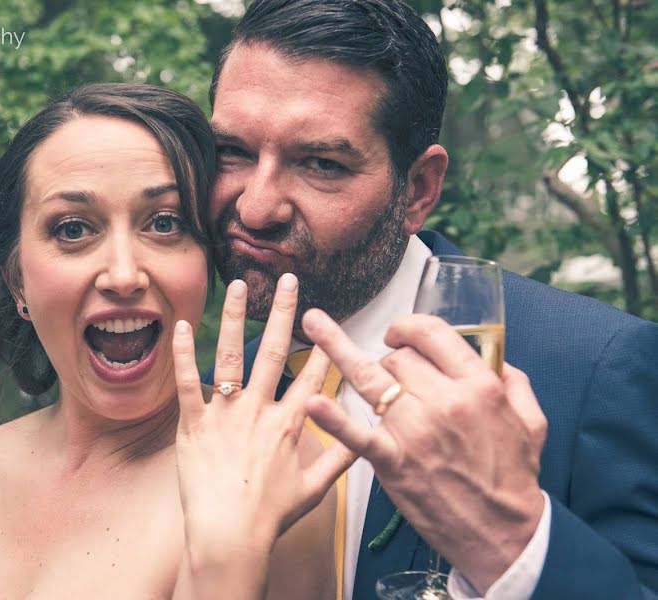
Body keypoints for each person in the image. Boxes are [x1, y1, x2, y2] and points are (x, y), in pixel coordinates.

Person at [203, 0, 658, 598]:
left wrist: (510, 541)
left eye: (320, 164)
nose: (256, 208)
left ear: (417, 190)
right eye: (232, 152)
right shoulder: (216, 391)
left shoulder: (596, 365)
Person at [0, 83, 342, 599]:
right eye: (74, 229)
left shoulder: (264, 463)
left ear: (206, 264)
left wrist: (225, 557)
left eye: (165, 223)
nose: (123, 275)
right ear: (18, 280)